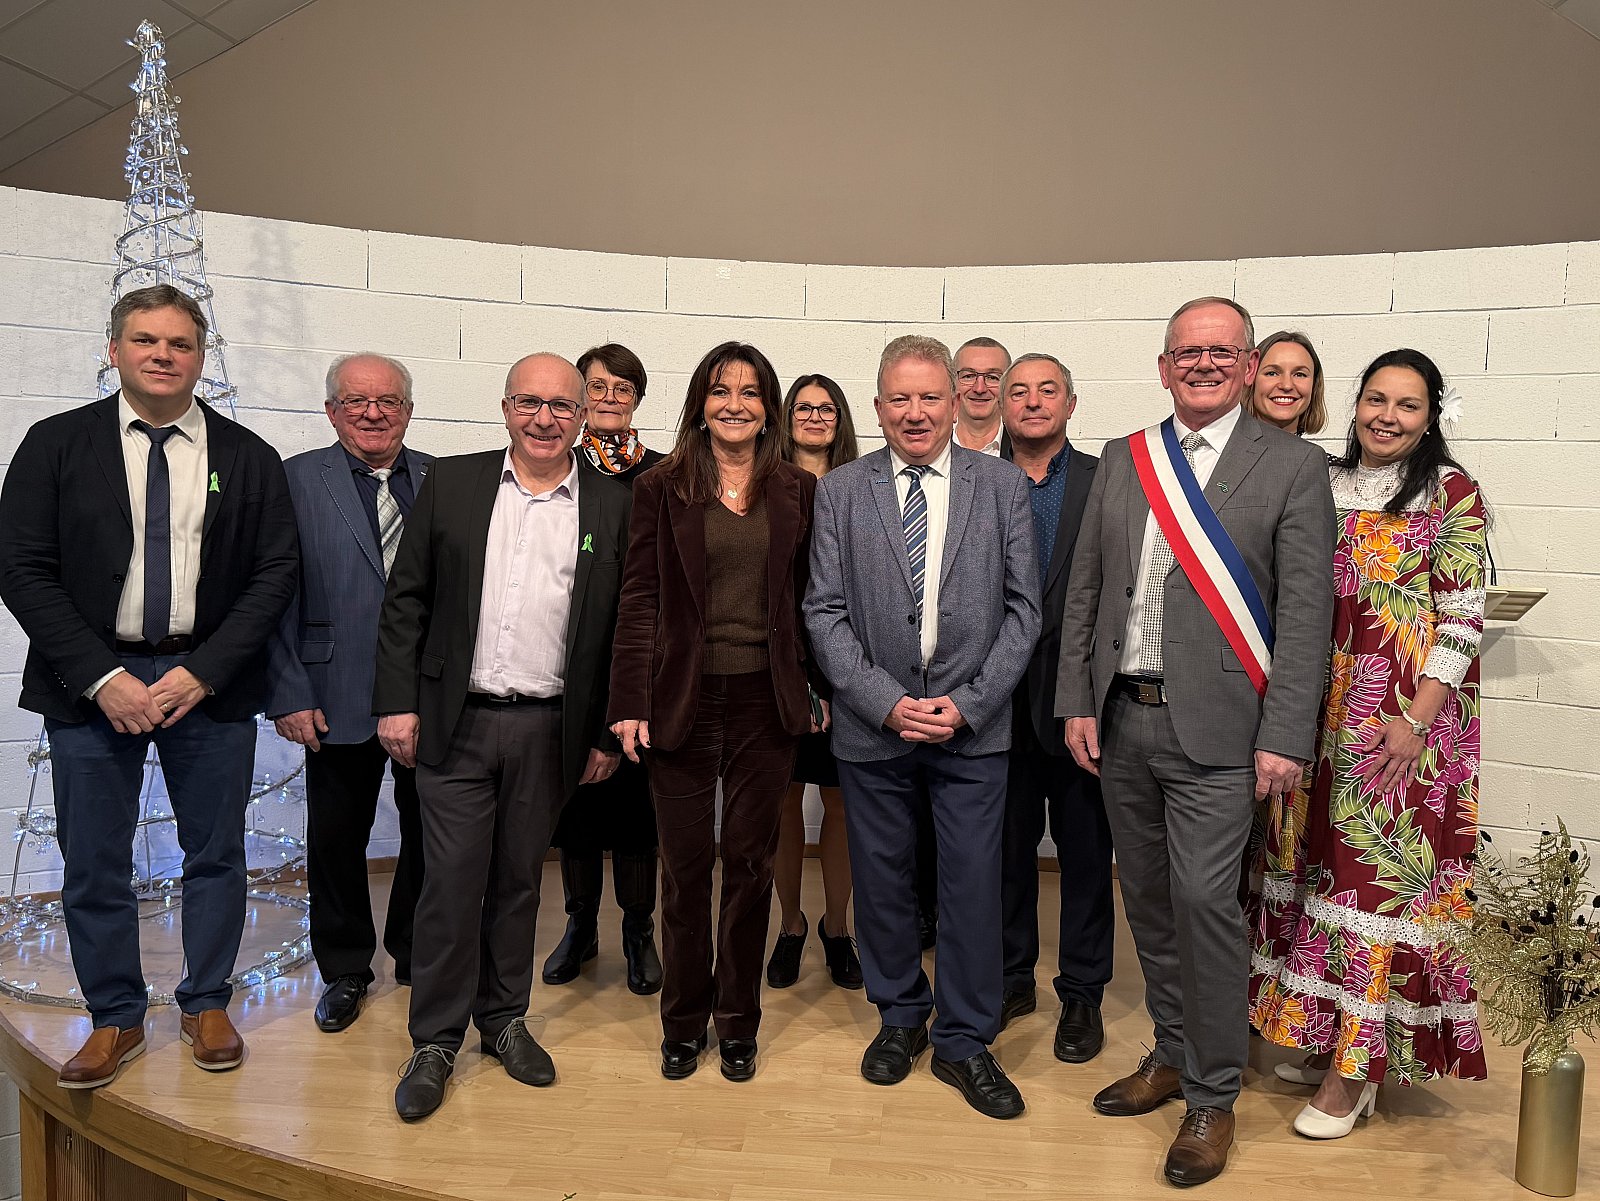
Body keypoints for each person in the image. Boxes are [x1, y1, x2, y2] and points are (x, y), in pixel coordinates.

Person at [1056, 297, 1335, 1185]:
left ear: (1249, 366)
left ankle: (1214, 1094)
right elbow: (1086, 589)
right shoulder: (1124, 457)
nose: (1204, 364)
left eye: (1222, 351)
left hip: (1224, 729)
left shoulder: (1293, 466)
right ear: (1164, 366)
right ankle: (1173, 1051)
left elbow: (1306, 615)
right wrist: (1076, 698)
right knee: (1147, 901)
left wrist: (1285, 733)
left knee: (1205, 904)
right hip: (1123, 716)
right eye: (1188, 352)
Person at [0, 284, 298, 1086]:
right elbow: (21, 568)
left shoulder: (248, 456)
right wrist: (102, 677)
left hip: (208, 681)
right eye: (145, 340)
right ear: (115, 350)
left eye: (179, 343)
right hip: (91, 682)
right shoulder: (56, 445)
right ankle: (115, 1016)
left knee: (217, 853)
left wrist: (204, 670)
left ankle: (207, 1002)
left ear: (201, 356)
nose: (163, 354)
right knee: (94, 859)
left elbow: (274, 574)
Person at [373, 353, 632, 1121]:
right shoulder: (453, 482)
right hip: (455, 722)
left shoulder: (612, 504)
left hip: (550, 728)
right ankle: (434, 1039)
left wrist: (605, 732)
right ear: (506, 407)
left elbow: (621, 630)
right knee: (451, 883)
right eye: (529, 402)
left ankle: (503, 1019)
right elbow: (405, 600)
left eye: (561, 405)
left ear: (582, 416)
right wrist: (397, 703)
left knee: (520, 880)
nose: (544, 418)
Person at [1249, 348, 1489, 1139]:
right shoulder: (1321, 480)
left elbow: (1461, 620)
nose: (1388, 416)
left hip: (1399, 724)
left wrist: (1416, 720)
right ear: (1354, 404)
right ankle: (1330, 1037)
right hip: (1318, 713)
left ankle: (1354, 1074)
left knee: (1372, 885)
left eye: (1408, 404)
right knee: (1314, 870)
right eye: (1376, 399)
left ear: (1431, 417)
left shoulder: (1450, 492)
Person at [807, 334, 1041, 1121]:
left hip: (972, 729)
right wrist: (881, 699)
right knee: (882, 881)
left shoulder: (1001, 486)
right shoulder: (841, 490)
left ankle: (965, 1039)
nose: (915, 412)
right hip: (874, 728)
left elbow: (1024, 611)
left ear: (957, 400)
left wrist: (970, 702)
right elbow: (823, 611)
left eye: (929, 396)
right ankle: (900, 1014)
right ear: (878, 407)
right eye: (899, 398)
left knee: (973, 885)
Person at [607, 342, 821, 1084]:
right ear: (701, 402)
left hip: (766, 701)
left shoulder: (797, 488)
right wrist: (629, 699)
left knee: (751, 867)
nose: (735, 403)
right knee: (685, 869)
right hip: (683, 701)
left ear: (769, 409)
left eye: (751, 392)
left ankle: (737, 1022)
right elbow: (639, 597)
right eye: (721, 390)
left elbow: (810, 601)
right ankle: (682, 1021)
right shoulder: (661, 486)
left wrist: (817, 687)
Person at [267, 353, 433, 1034]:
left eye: (388, 401)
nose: (373, 413)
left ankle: (418, 952)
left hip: (428, 694)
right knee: (336, 837)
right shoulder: (294, 480)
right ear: (332, 410)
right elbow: (272, 594)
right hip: (332, 691)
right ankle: (345, 968)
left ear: (408, 411)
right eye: (356, 401)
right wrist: (287, 690)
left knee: (432, 832)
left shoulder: (444, 480)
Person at [994, 354, 1112, 1063]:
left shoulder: (1107, 481)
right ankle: (1012, 978)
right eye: (1019, 390)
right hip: (996, 703)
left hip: (1082, 705)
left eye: (1048, 390)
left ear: (1071, 402)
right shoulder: (974, 480)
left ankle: (1083, 992)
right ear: (999, 404)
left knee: (1087, 854)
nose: (1033, 402)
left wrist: (1093, 693)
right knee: (1004, 853)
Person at [544, 342, 666, 996]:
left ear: (637, 399)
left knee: (637, 808)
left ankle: (640, 932)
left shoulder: (664, 472)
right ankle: (580, 925)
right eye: (598, 386)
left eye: (623, 388)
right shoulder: (557, 467)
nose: (610, 397)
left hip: (644, 663)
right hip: (570, 663)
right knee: (578, 807)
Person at [767, 374, 862, 991]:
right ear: (786, 416)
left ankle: (836, 927)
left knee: (839, 802)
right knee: (780, 799)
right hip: (779, 661)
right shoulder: (765, 483)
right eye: (803, 407)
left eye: (827, 409)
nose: (815, 417)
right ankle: (791, 926)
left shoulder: (862, 485)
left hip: (845, 664)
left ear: (841, 419)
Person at [1248, 331, 1327, 436]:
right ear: (1250, 378)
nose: (1286, 385)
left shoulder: (1314, 449)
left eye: (1299, 374)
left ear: (1314, 385)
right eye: (1272, 373)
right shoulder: (1226, 445)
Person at [952, 336, 1011, 456]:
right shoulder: (932, 446)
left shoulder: (1024, 449)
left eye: (992, 377)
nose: (979, 389)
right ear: (953, 382)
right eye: (968, 376)